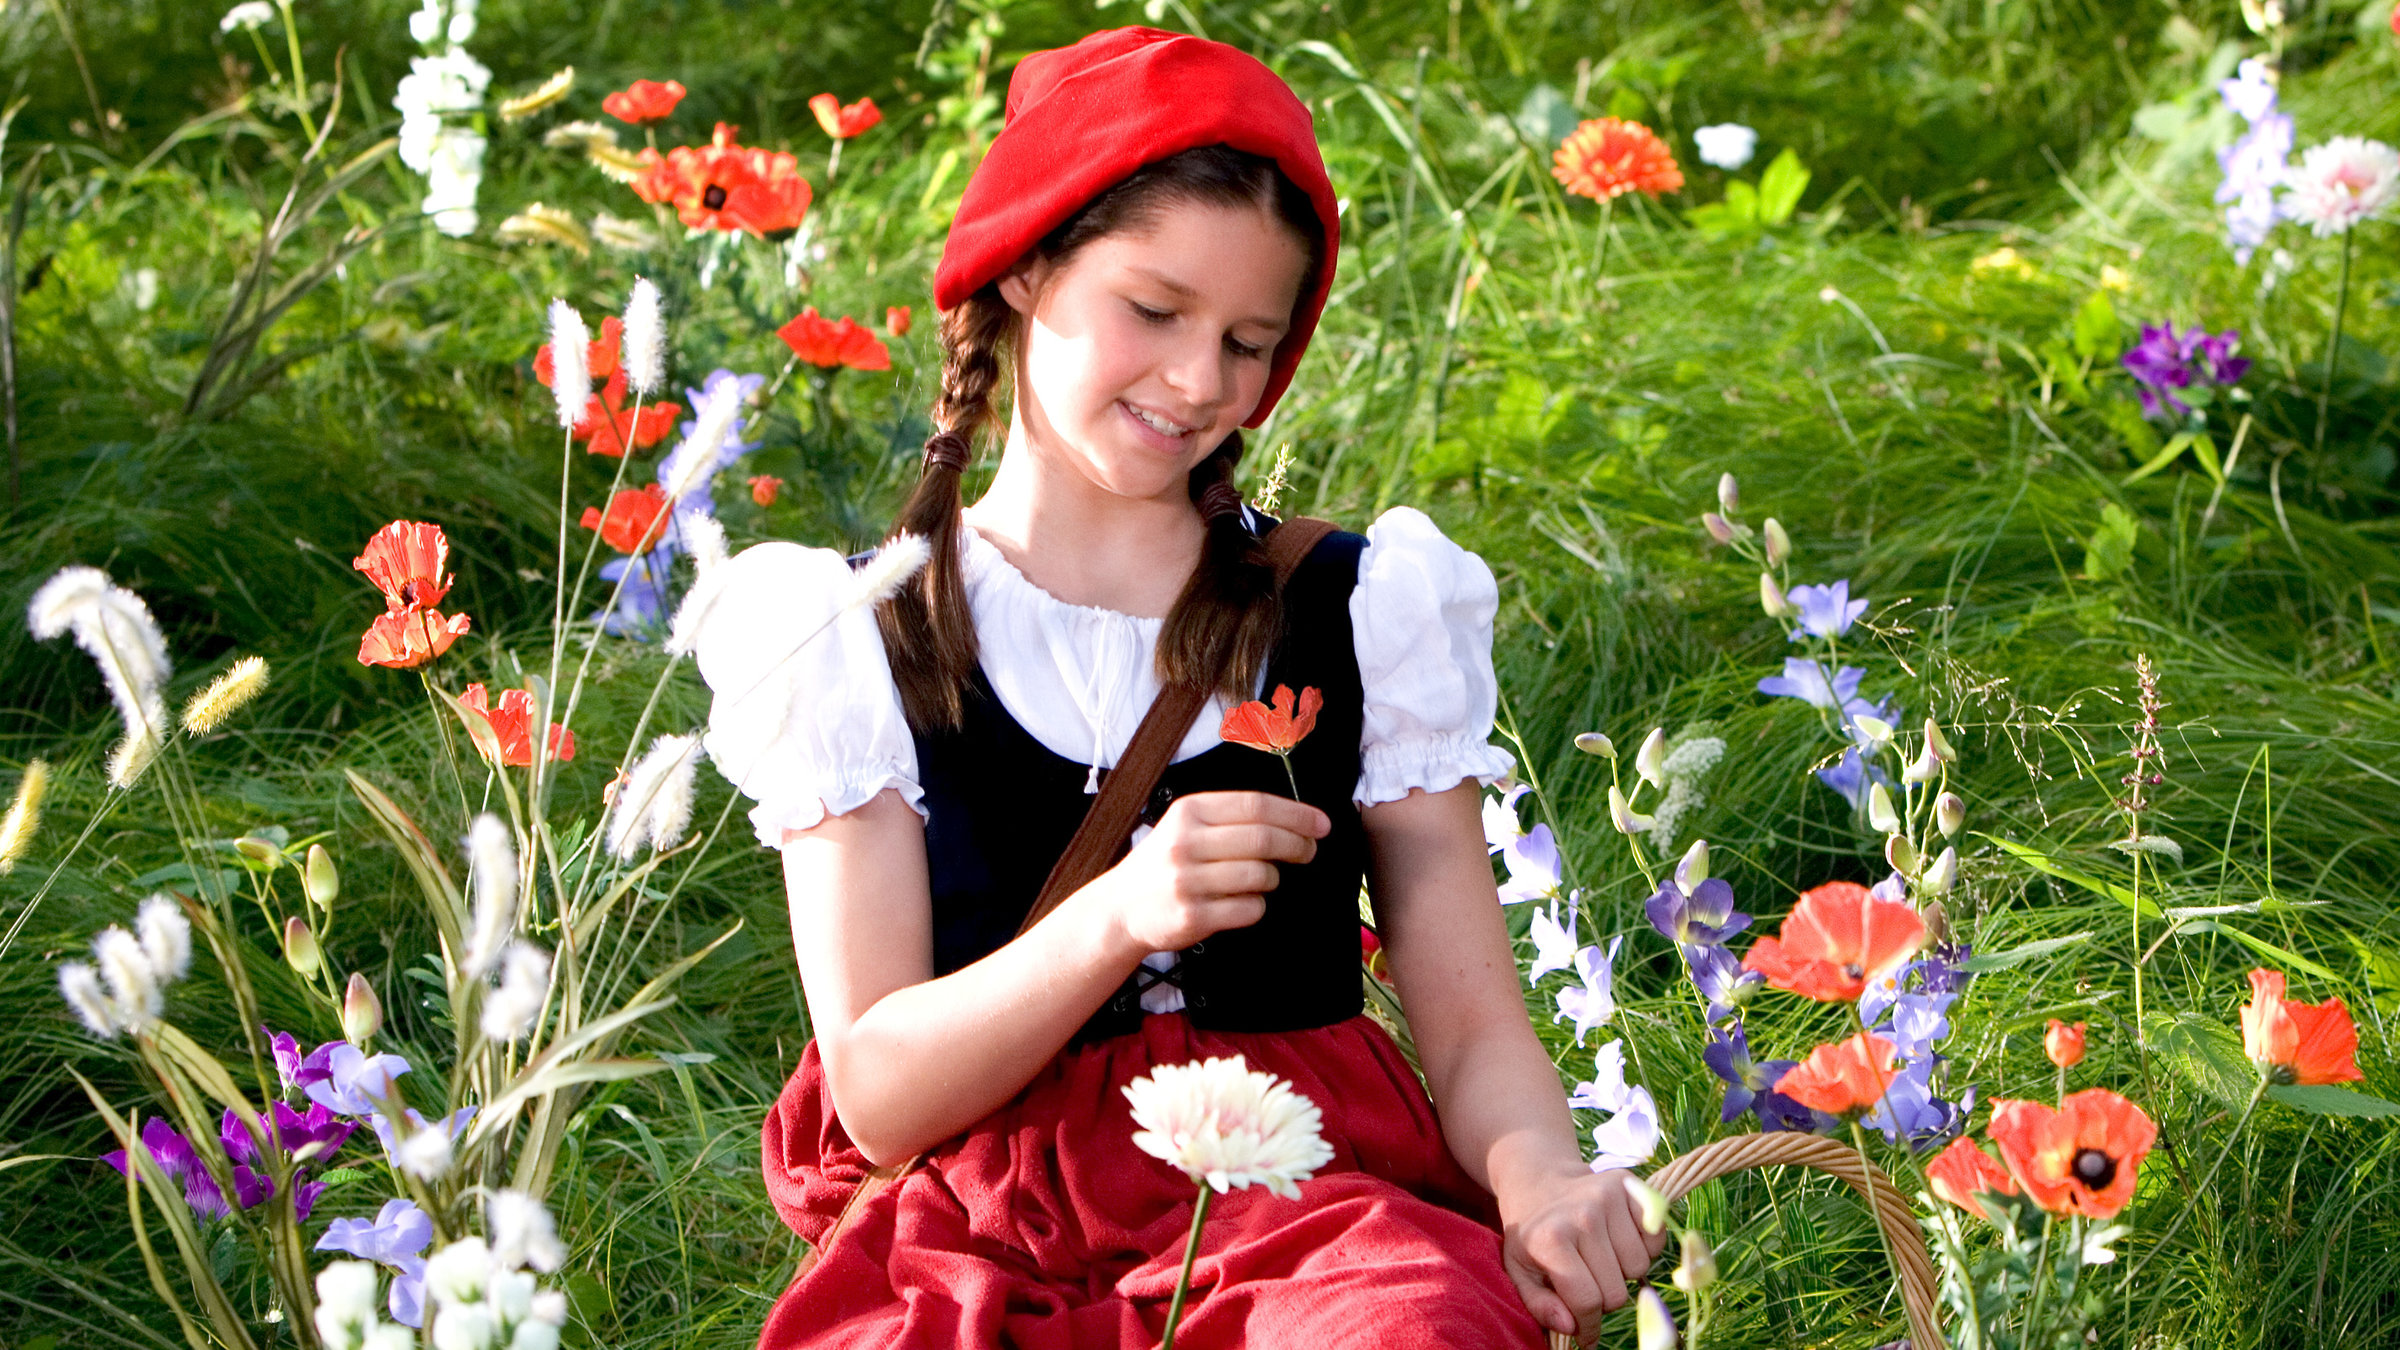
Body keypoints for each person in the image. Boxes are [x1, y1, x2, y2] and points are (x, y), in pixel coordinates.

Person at [694, 27, 1664, 1349]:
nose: (1201, 381)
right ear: (1030, 266)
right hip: (988, 1232)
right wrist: (1118, 913)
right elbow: (878, 1093)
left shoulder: (1350, 607)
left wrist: (1539, 1171)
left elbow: (1477, 1023)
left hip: (1305, 1205)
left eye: (1250, 342)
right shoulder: (865, 633)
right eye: (1154, 311)